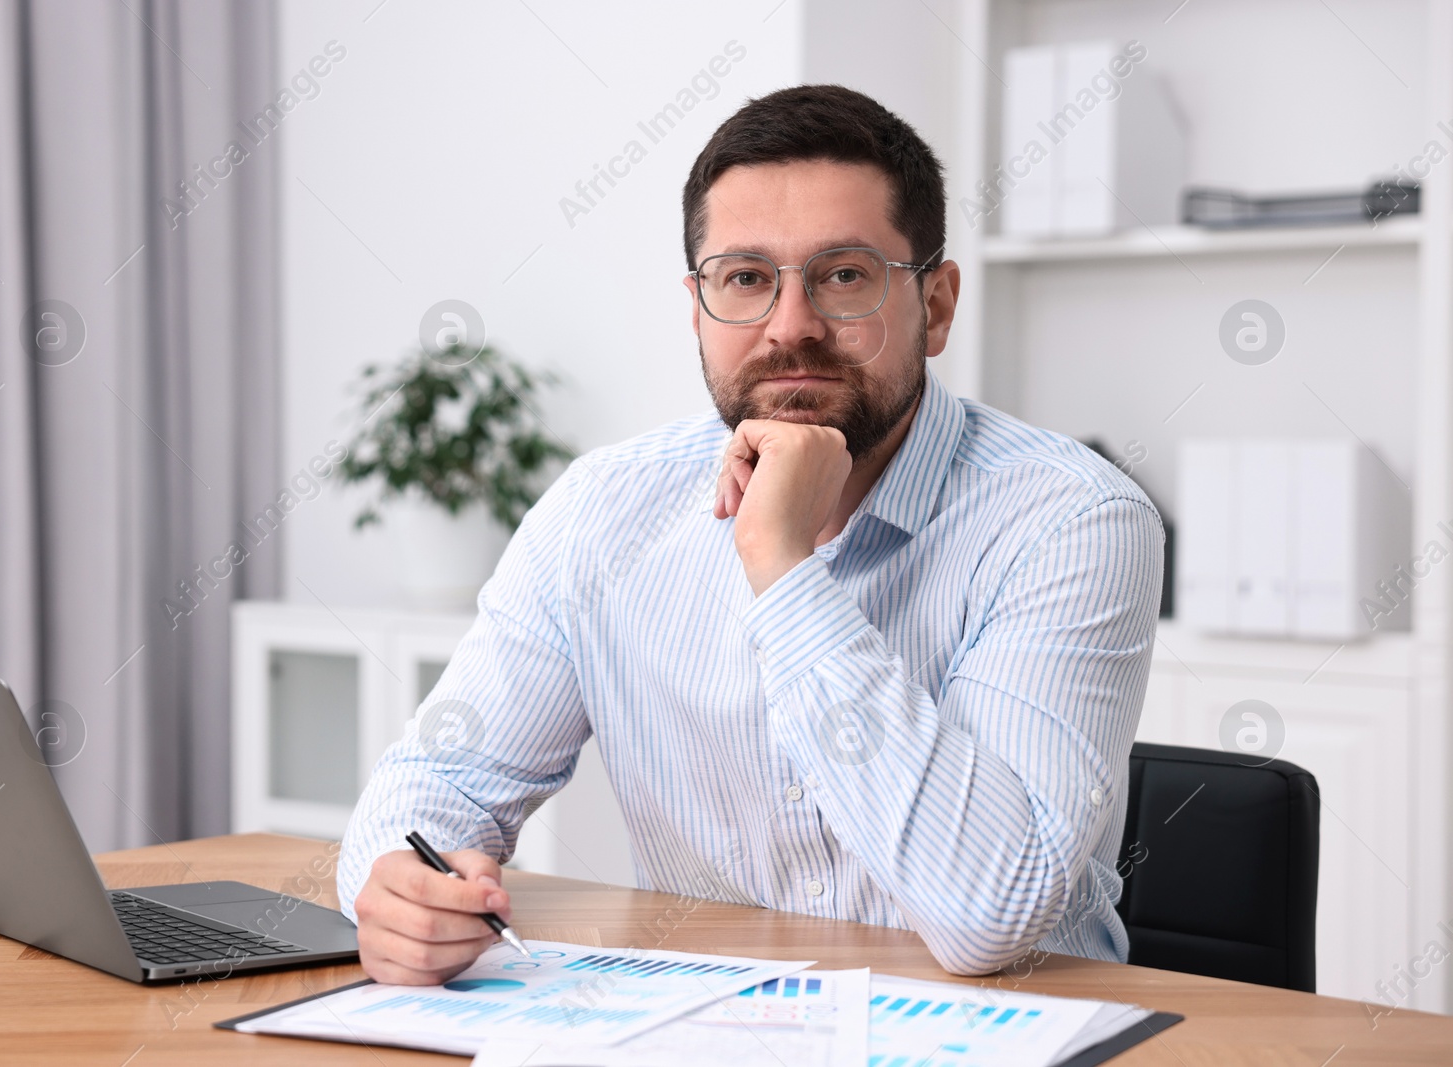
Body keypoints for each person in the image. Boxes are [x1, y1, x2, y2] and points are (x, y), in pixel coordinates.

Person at [339, 84, 1164, 985]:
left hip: (1010, 1034)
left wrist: (782, 563)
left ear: (935, 304)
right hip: (705, 1027)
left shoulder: (1072, 519)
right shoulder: (603, 511)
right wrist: (398, 884)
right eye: (746, 278)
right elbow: (440, 783)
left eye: (844, 274)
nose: (790, 326)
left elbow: (987, 918)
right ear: (698, 307)